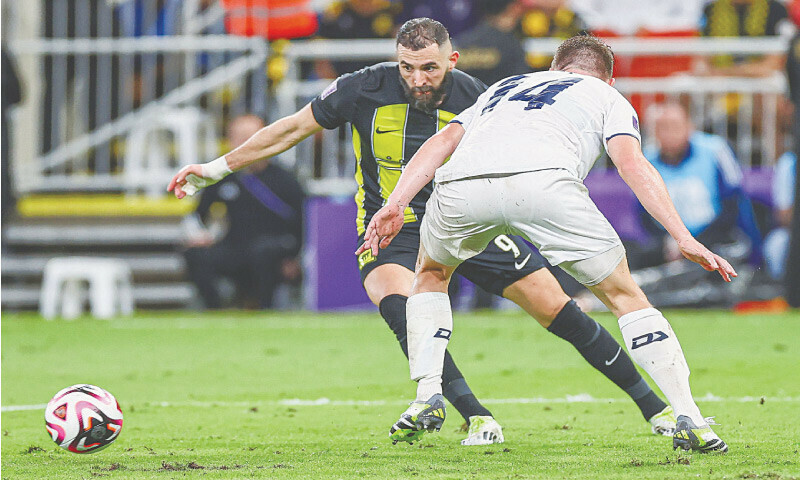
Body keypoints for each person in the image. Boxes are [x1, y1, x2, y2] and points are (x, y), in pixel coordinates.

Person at [168, 19, 676, 446]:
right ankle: (470, 413)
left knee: (554, 308)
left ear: (452, 61)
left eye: (429, 68)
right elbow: (290, 128)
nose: (417, 79)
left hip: (463, 217)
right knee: (396, 299)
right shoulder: (361, 87)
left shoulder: (479, 97)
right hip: (393, 225)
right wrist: (216, 168)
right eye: (407, 68)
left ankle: (657, 409)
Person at [360, 34, 735, 453]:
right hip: (545, 183)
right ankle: (690, 418)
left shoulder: (504, 87)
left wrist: (396, 202)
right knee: (624, 296)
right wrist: (682, 235)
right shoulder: (607, 98)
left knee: (429, 274)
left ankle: (427, 394)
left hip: (463, 186)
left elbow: (442, 143)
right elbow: (631, 163)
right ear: (607, 79)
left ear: (555, 69)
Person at [182, 115, 305, 309]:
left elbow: (302, 224)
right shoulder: (222, 178)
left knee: (263, 252)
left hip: (272, 251)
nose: (244, 143)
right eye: (238, 137)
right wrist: (200, 235)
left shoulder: (286, 180)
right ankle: (215, 311)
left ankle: (265, 309)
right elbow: (197, 216)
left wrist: (295, 257)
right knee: (195, 254)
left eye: (251, 136)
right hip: (235, 247)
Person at [626, 102, 763, 271]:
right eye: (662, 127)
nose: (669, 133)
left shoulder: (715, 150)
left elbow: (733, 206)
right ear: (654, 132)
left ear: (689, 127)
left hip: (716, 238)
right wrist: (673, 243)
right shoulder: (645, 160)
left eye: (675, 126)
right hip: (670, 246)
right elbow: (644, 214)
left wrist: (696, 244)